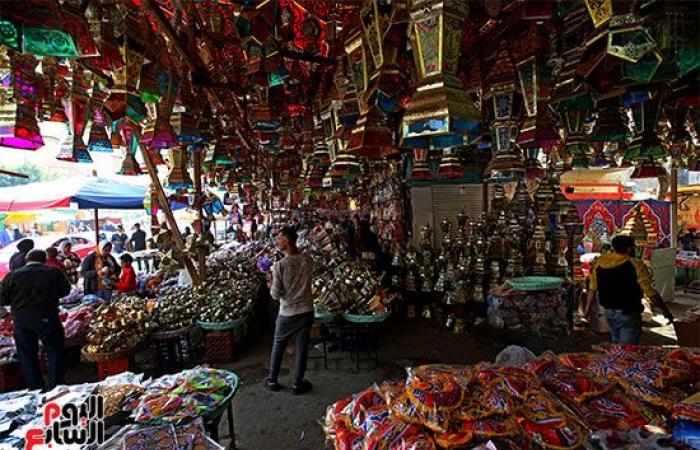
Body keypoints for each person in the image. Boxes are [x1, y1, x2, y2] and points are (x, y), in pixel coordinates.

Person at [0, 249, 71, 390]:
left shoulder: (12, 276)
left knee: (27, 354)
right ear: (44, 259)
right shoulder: (53, 272)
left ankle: (35, 388)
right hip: (47, 317)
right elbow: (65, 291)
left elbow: (2, 299)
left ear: (27, 259)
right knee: (54, 350)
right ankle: (57, 387)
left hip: (21, 320)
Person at [584, 235, 674, 345]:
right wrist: (665, 310)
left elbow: (592, 288)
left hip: (608, 310)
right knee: (627, 350)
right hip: (628, 312)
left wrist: (587, 310)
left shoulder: (601, 262)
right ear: (629, 249)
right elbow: (650, 293)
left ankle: (616, 360)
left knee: (616, 343)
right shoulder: (636, 265)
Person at [265, 227, 314, 395]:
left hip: (288, 313)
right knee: (302, 348)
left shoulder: (279, 266)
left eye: (279, 239)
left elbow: (275, 295)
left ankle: (272, 379)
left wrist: (270, 283)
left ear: (287, 240)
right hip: (306, 310)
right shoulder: (307, 259)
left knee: (279, 345)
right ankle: (297, 383)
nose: (277, 242)